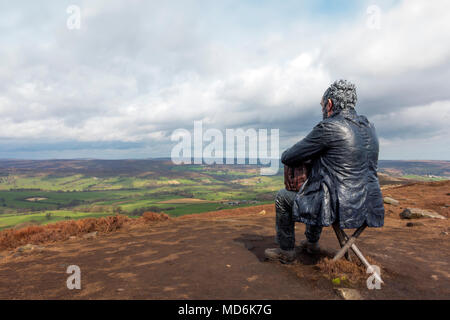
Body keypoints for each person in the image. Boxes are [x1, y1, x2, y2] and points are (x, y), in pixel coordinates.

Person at [265, 80, 385, 263]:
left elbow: (288, 157)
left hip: (340, 206)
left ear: (329, 104)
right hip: (370, 204)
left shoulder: (329, 127)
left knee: (284, 197)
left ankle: (286, 251)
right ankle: (311, 243)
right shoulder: (370, 126)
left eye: (322, 106)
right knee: (319, 187)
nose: (322, 110)